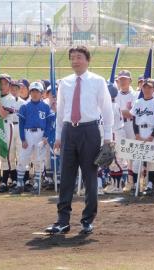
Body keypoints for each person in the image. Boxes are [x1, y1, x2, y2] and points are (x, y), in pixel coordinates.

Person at [45, 46, 113, 234]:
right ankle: (63, 220)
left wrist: (108, 137)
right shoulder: (64, 83)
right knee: (66, 176)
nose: (75, 61)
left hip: (89, 130)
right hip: (69, 131)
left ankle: (87, 220)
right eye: (72, 58)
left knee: (90, 176)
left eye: (79, 57)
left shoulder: (98, 81)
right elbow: (61, 111)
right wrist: (58, 136)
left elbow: (107, 109)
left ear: (87, 60)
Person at [10, 82, 53, 195]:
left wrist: (46, 136)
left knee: (39, 159)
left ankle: (37, 184)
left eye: (37, 91)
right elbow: (21, 124)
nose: (34, 94)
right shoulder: (25, 106)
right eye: (33, 91)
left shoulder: (45, 107)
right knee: (23, 158)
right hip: (28, 133)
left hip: (41, 133)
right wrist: (23, 139)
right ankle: (20, 184)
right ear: (30, 92)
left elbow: (49, 123)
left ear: (41, 93)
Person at [131, 79, 154, 195]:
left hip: (152, 132)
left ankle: (151, 184)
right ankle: (135, 185)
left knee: (153, 161)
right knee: (136, 161)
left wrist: (152, 135)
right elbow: (134, 119)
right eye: (145, 87)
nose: (147, 89)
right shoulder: (138, 102)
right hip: (140, 131)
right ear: (142, 89)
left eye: (149, 87)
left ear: (153, 89)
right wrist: (136, 134)